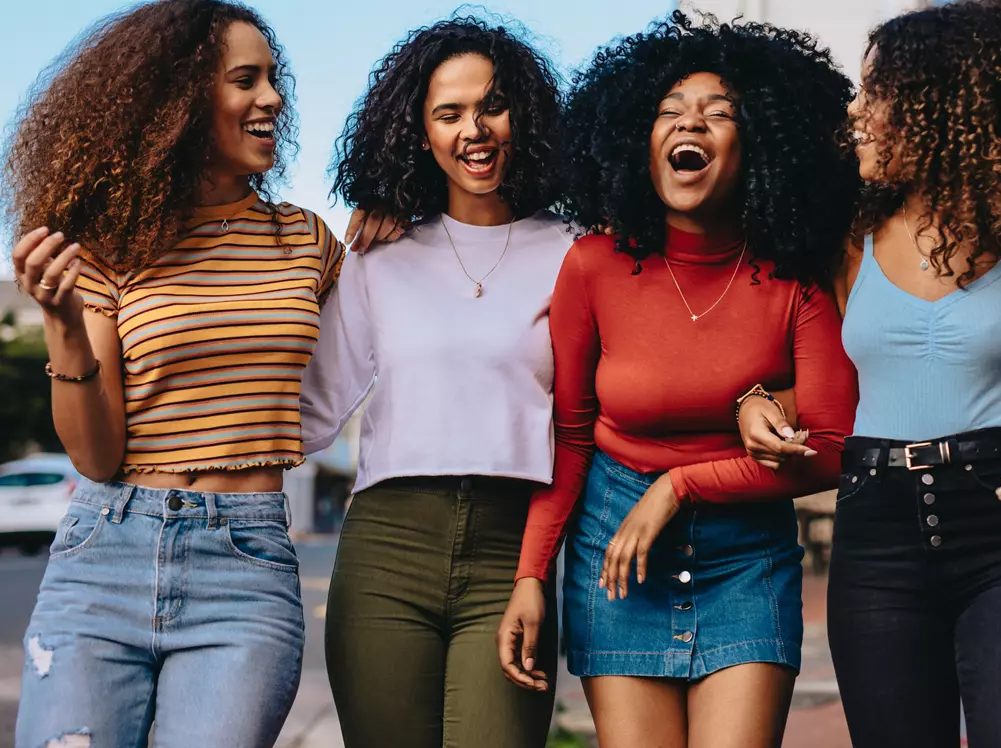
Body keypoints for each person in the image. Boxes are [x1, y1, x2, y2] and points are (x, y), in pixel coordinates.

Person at [738, 2, 1001, 746]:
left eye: (876, 93)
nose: (858, 112)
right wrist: (755, 403)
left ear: (942, 103)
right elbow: (824, 386)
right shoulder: (847, 235)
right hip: (876, 531)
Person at [497, 13, 859, 748]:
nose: (688, 124)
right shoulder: (594, 265)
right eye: (668, 112)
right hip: (615, 555)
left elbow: (832, 446)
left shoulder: (794, 278)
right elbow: (570, 435)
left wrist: (683, 484)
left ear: (759, 144)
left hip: (746, 559)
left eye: (718, 113)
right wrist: (531, 572)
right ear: (638, 138)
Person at [4, 2, 343, 746]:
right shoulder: (111, 243)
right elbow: (96, 456)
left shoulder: (306, 242)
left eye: (274, 80)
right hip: (106, 552)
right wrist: (61, 324)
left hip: (245, 567)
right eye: (246, 80)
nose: (274, 100)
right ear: (180, 102)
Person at [300, 17, 568, 748]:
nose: (474, 130)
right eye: (448, 114)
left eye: (492, 106)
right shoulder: (378, 257)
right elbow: (307, 414)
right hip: (387, 547)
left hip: (513, 554)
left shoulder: (575, 253)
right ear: (419, 134)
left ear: (526, 117)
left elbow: (591, 418)